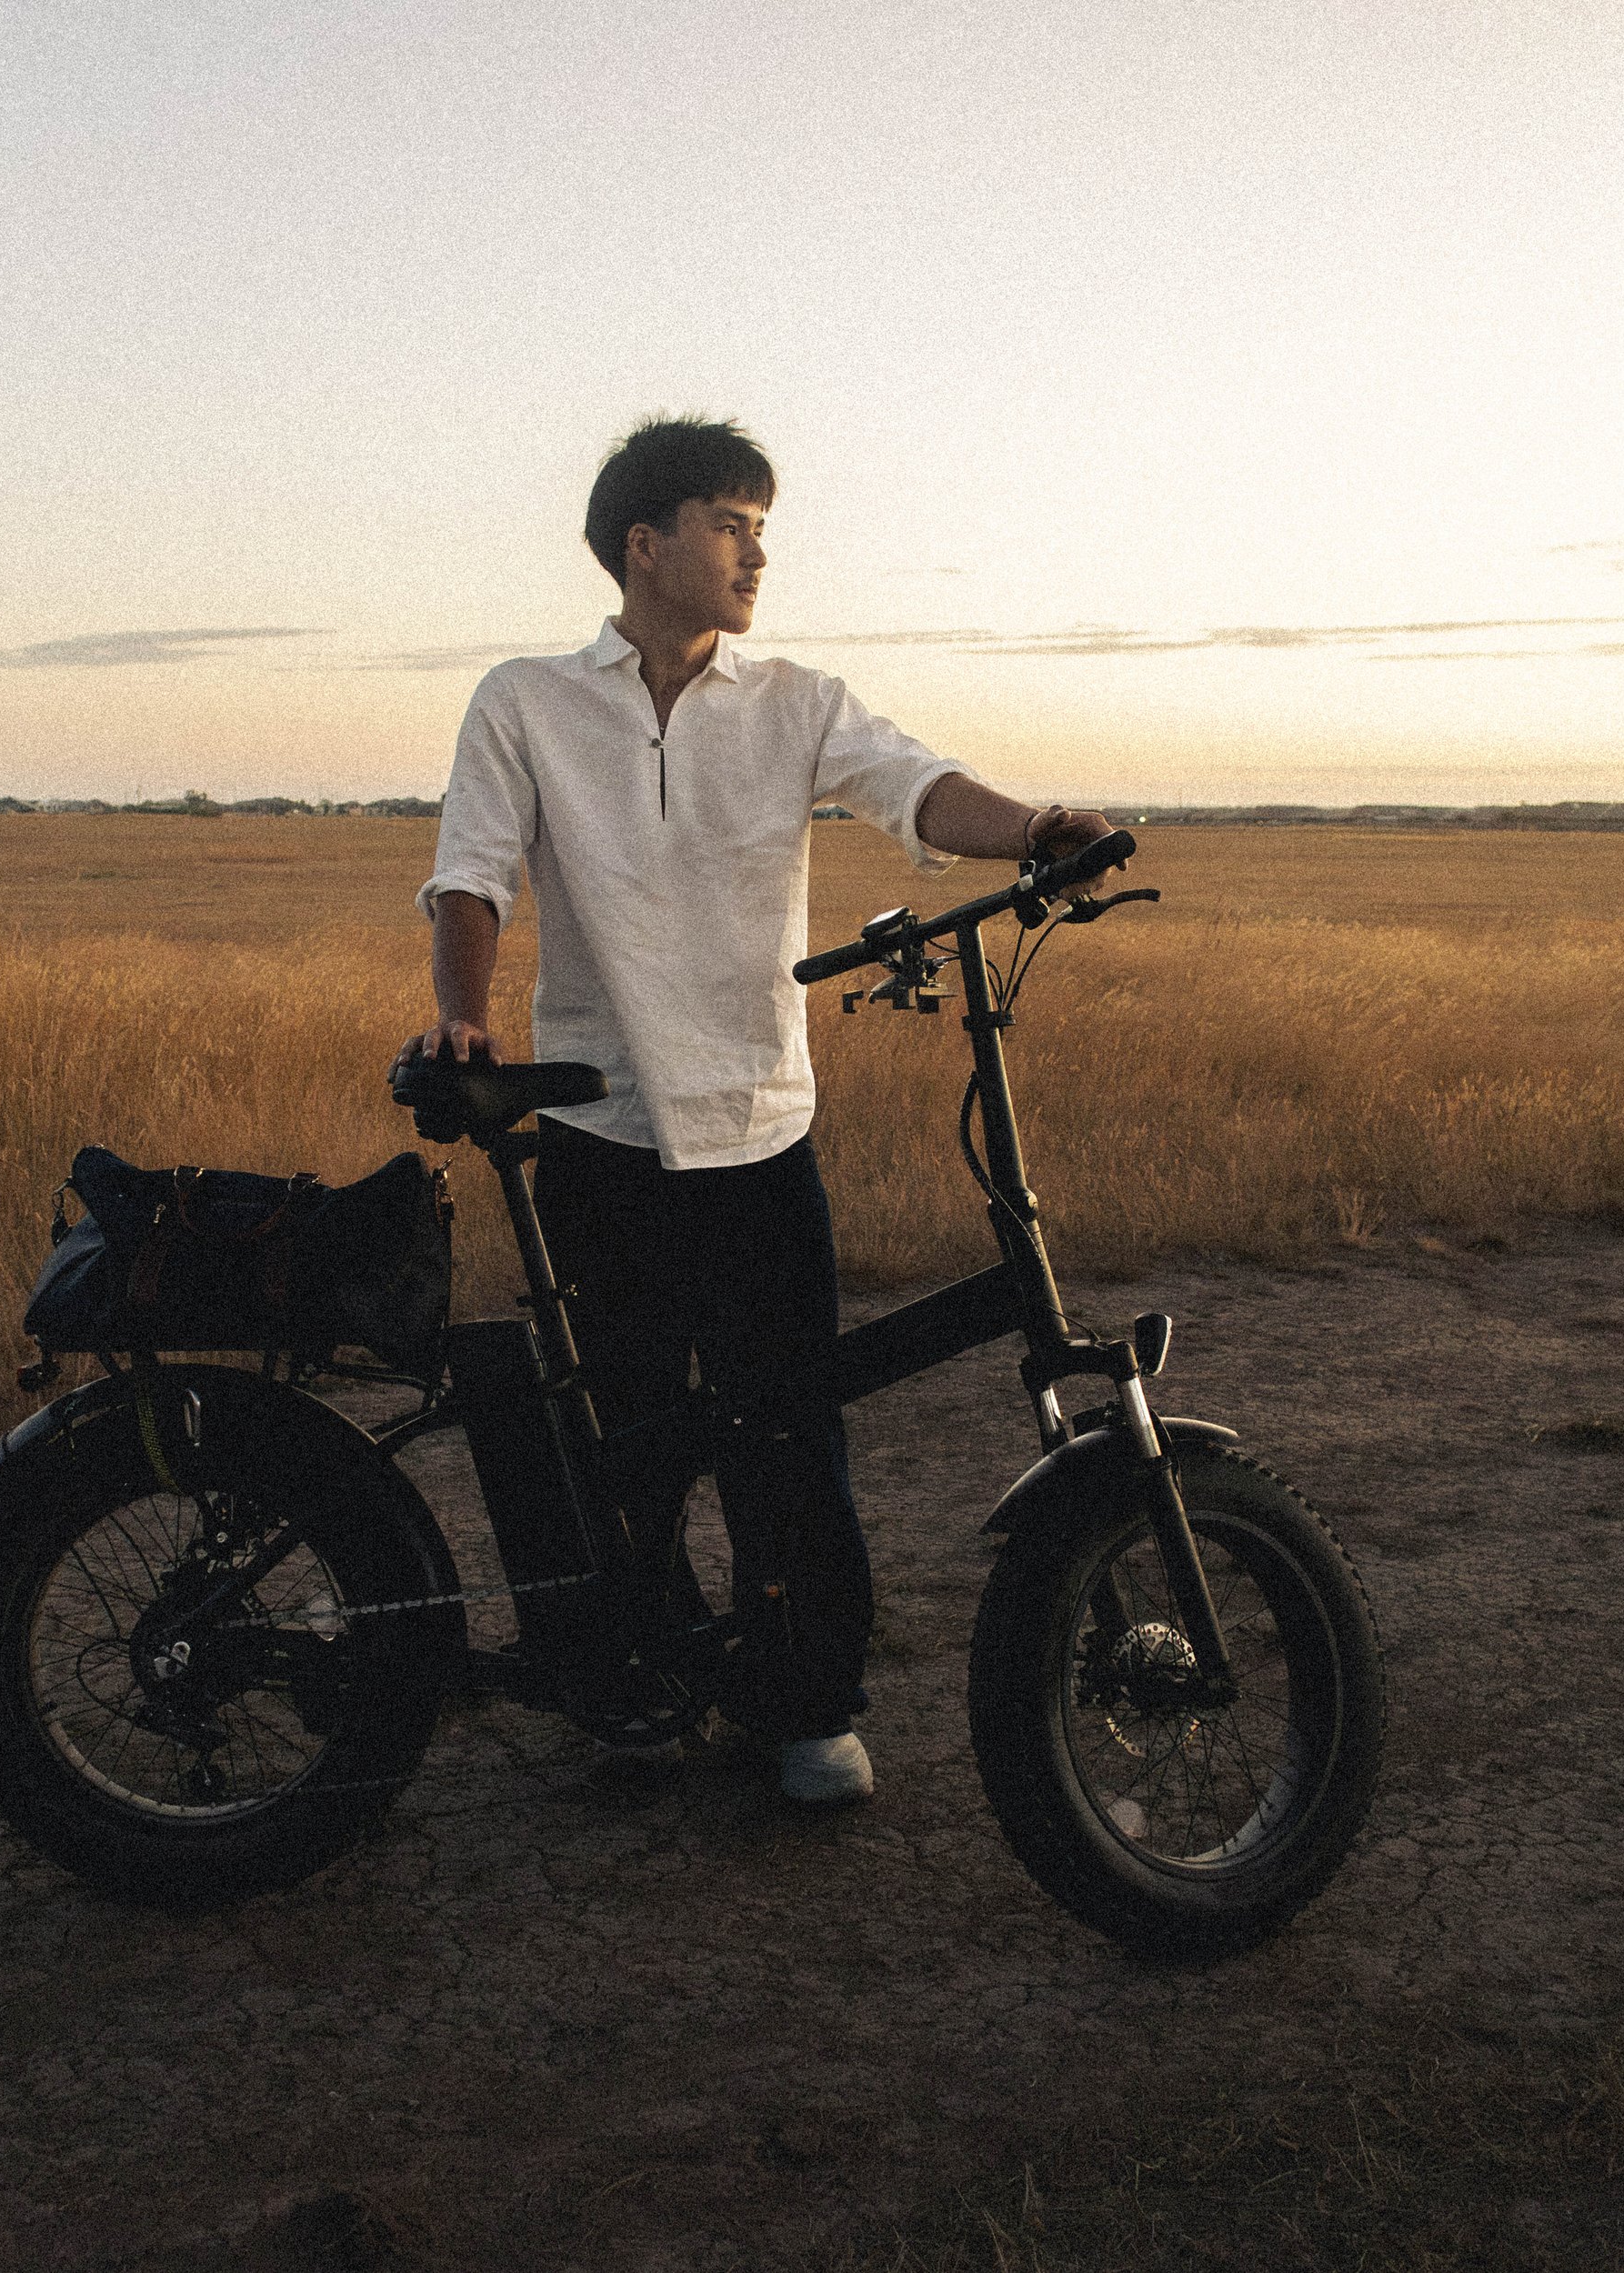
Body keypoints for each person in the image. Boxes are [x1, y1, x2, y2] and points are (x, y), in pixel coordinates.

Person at [396, 416, 1118, 1806]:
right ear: (644, 544)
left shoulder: (797, 699)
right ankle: (639, 1680)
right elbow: (472, 869)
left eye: (763, 528)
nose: (758, 553)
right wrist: (462, 1009)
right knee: (627, 1429)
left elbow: (912, 786)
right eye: (733, 523)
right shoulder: (527, 700)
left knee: (789, 1430)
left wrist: (1035, 828)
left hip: (759, 1126)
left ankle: (803, 1703)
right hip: (603, 1129)